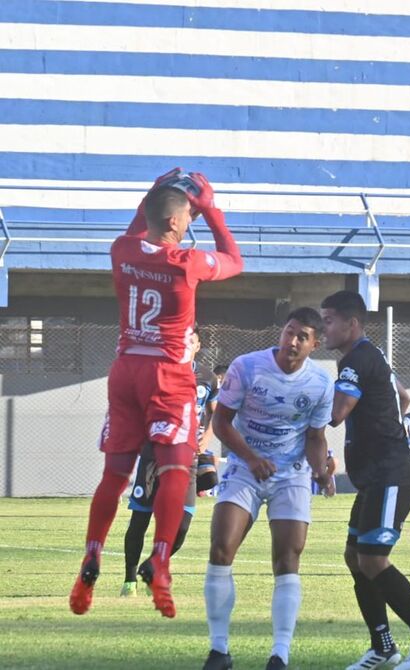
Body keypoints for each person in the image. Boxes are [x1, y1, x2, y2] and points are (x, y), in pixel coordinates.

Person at [69, 169, 243, 618]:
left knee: (114, 476)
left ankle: (93, 551)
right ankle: (161, 559)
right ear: (173, 223)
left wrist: (153, 191)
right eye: (187, 217)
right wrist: (210, 208)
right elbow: (234, 259)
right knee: (175, 471)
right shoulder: (185, 262)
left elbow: (138, 225)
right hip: (168, 374)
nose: (190, 224)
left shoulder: (121, 250)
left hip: (125, 369)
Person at [201, 307, 334, 670]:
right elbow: (222, 421)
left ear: (314, 344)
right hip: (245, 468)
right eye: (289, 332)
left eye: (301, 337)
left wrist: (322, 470)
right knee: (220, 548)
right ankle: (218, 650)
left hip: (291, 473)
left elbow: (315, 436)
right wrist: (251, 457)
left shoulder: (321, 383)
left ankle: (280, 654)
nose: (292, 341)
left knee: (287, 560)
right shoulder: (246, 367)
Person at [321, 291, 410, 670]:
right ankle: (383, 646)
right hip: (377, 475)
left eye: (328, 321)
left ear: (351, 323)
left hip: (391, 474)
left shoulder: (356, 359)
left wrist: (297, 401)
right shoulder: (369, 355)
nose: (323, 328)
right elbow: (404, 397)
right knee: (354, 558)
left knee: (373, 559)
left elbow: (336, 413)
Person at [120, 326, 219, 596]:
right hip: (155, 454)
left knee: (182, 524)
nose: (187, 345)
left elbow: (216, 414)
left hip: (188, 457)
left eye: (192, 341)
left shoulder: (208, 378)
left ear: (198, 346)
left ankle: (151, 565)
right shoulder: (157, 371)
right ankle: (129, 580)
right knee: (141, 519)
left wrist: (207, 438)